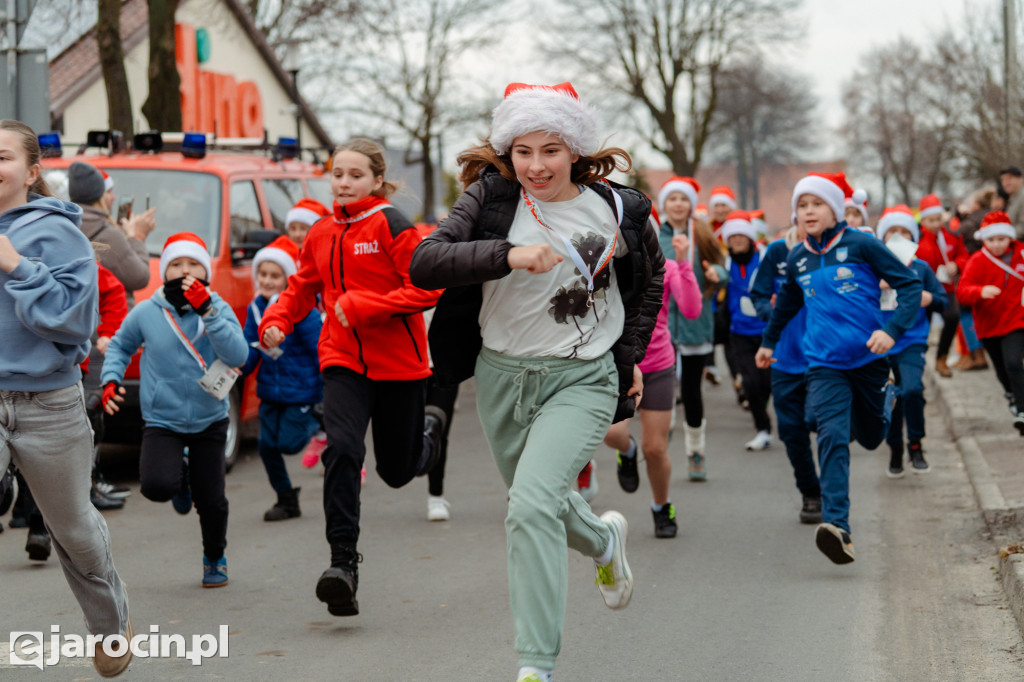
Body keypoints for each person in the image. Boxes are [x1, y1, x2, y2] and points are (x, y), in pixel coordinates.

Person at [408, 82, 664, 682]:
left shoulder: (618, 209)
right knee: (541, 504)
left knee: (528, 507)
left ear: (574, 148)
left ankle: (535, 667)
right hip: (502, 377)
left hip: (583, 377)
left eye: (550, 150)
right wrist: (507, 254)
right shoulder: (491, 199)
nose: (536, 165)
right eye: (523, 151)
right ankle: (603, 542)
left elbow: (648, 283)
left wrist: (629, 363)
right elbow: (426, 261)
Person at [258, 138, 446, 618]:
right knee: (342, 449)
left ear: (377, 180)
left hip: (399, 365)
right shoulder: (321, 231)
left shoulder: (391, 225)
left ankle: (430, 432)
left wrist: (368, 307)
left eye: (355, 174)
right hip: (342, 359)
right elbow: (301, 288)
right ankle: (343, 565)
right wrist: (278, 318)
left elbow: (427, 288)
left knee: (397, 471)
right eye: (337, 173)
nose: (344, 182)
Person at [0, 119, 132, 677]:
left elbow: (75, 321)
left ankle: (109, 626)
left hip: (47, 402)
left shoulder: (58, 235)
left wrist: (14, 265)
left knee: (74, 529)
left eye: (0, 156)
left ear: (31, 172)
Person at [756, 171, 921, 565]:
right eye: (802, 205)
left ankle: (887, 404)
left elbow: (910, 286)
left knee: (870, 437)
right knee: (830, 436)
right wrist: (768, 342)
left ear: (835, 209)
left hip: (868, 360)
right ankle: (837, 526)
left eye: (816, 204)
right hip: (824, 364)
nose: (808, 211)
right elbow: (787, 306)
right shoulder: (797, 258)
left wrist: (891, 331)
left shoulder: (862, 244)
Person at [102, 232, 249, 588]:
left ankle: (215, 557)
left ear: (206, 271)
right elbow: (121, 345)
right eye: (176, 265)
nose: (185, 271)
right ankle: (179, 479)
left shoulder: (218, 307)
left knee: (211, 499)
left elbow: (238, 356)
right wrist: (110, 379)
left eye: (194, 264)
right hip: (162, 418)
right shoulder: (148, 312)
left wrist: (209, 312)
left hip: (209, 418)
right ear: (164, 271)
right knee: (155, 486)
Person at [602, 210, 701, 537]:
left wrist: (684, 263)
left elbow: (691, 310)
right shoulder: (606, 271)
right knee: (613, 435)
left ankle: (662, 506)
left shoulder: (667, 268)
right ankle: (626, 454)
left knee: (655, 449)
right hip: (620, 366)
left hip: (657, 365)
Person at [240, 236, 323, 521]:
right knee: (266, 446)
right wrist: (237, 366)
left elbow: (319, 348)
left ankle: (317, 424)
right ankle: (286, 498)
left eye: (275, 275)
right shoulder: (255, 309)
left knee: (289, 442)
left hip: (301, 391)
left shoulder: (302, 309)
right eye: (262, 274)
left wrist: (324, 395)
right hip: (270, 391)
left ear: (289, 279)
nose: (267, 280)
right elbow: (250, 348)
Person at [656, 176, 728, 480]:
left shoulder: (702, 233)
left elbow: (722, 266)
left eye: (683, 199)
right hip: (661, 325)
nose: (677, 204)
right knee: (663, 389)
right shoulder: (654, 235)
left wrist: (717, 274)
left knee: (692, 391)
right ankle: (660, 440)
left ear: (690, 205)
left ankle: (695, 451)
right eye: (672, 199)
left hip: (695, 322)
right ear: (665, 205)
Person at [750, 216, 820, 524]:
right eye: (802, 210)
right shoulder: (778, 251)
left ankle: (833, 491)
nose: (809, 216)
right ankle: (811, 494)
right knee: (791, 430)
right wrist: (774, 314)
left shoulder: (836, 252)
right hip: (784, 357)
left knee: (824, 425)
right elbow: (758, 294)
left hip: (825, 357)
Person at [874, 206, 947, 476]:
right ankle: (895, 448)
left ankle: (915, 444)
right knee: (891, 398)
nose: (898, 236)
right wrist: (875, 286)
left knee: (913, 390)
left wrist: (929, 298)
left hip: (912, 341)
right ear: (883, 237)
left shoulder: (921, 268)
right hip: (880, 344)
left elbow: (943, 302)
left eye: (905, 232)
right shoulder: (872, 267)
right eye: (892, 231)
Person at [956, 211, 1024, 435]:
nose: (996, 244)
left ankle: (1022, 410)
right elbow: (962, 292)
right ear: (984, 239)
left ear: (1010, 238)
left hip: (1016, 320)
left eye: (1001, 239)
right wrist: (980, 291)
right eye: (991, 239)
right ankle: (1011, 394)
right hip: (988, 325)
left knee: (1014, 363)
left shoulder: (1021, 254)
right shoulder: (977, 260)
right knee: (1002, 369)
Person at [722, 210, 773, 450]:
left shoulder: (765, 257)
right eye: (733, 237)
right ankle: (762, 428)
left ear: (751, 237)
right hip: (739, 332)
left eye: (742, 235)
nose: (737, 240)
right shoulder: (726, 262)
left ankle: (763, 414)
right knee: (750, 383)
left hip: (767, 330)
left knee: (766, 382)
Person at [915, 194, 968, 378]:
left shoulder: (952, 237)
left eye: (938, 219)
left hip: (947, 289)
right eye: (931, 220)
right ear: (923, 220)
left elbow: (963, 255)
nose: (936, 223)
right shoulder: (918, 241)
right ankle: (917, 362)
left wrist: (957, 265)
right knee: (923, 328)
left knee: (953, 317)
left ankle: (941, 358)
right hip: (924, 291)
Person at [999, 166, 1024, 237]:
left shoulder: (1022, 197)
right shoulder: (1012, 198)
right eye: (1003, 180)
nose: (1005, 183)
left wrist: (1003, 236)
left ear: (1020, 179)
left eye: (1009, 178)